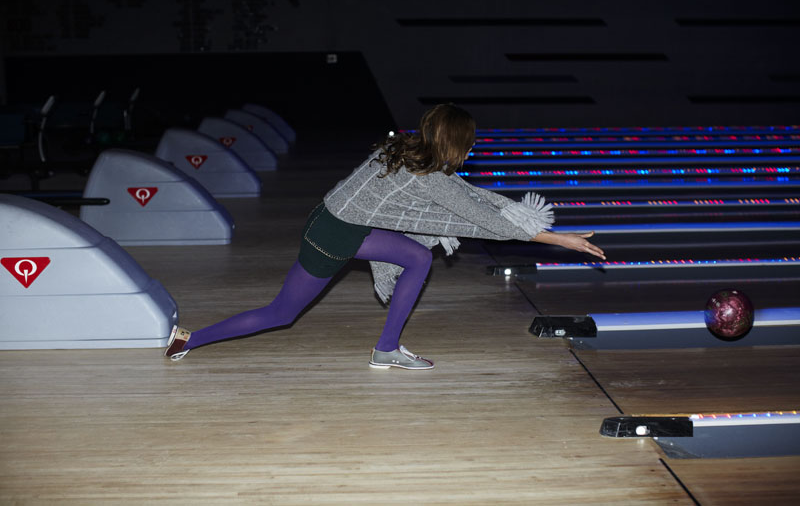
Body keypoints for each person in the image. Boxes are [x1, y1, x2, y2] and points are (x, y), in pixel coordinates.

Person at [165, 104, 605, 369]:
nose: (471, 150)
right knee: (281, 313)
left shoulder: (400, 148)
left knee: (417, 257)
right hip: (336, 235)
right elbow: (479, 218)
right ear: (457, 142)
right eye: (470, 143)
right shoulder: (429, 175)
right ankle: (192, 339)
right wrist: (558, 240)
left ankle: (388, 347)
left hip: (330, 220)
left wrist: (537, 225)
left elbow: (468, 195)